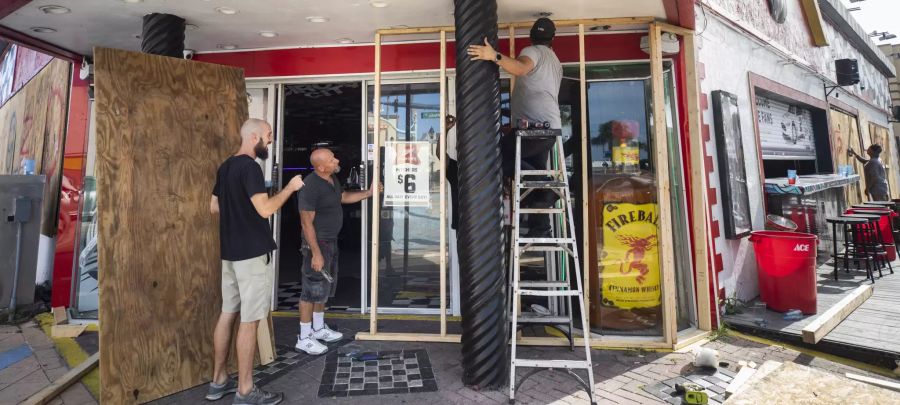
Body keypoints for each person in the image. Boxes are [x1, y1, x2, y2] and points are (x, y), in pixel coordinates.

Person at [208, 118, 304, 405]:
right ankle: (246, 390)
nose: (271, 140)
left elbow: (213, 207)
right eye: (268, 135)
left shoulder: (225, 167)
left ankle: (219, 381)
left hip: (230, 253)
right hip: (251, 255)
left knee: (228, 313)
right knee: (249, 321)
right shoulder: (250, 167)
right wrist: (289, 188)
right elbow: (265, 210)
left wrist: (237, 212)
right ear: (253, 137)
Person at [467, 17, 563, 236]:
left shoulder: (533, 51)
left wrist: (494, 56)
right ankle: (541, 227)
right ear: (553, 39)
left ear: (532, 36)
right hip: (548, 130)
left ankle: (546, 185)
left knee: (494, 158)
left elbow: (520, 68)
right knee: (530, 172)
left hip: (533, 130)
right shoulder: (555, 60)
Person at [295, 148, 378, 355]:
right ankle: (304, 337)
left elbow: (342, 197)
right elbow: (306, 223)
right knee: (310, 290)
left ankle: (319, 328)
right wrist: (315, 252)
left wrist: (368, 193)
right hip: (317, 244)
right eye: (332, 159)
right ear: (321, 167)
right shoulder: (310, 186)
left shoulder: (332, 179)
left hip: (330, 242)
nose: (337, 160)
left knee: (323, 287)